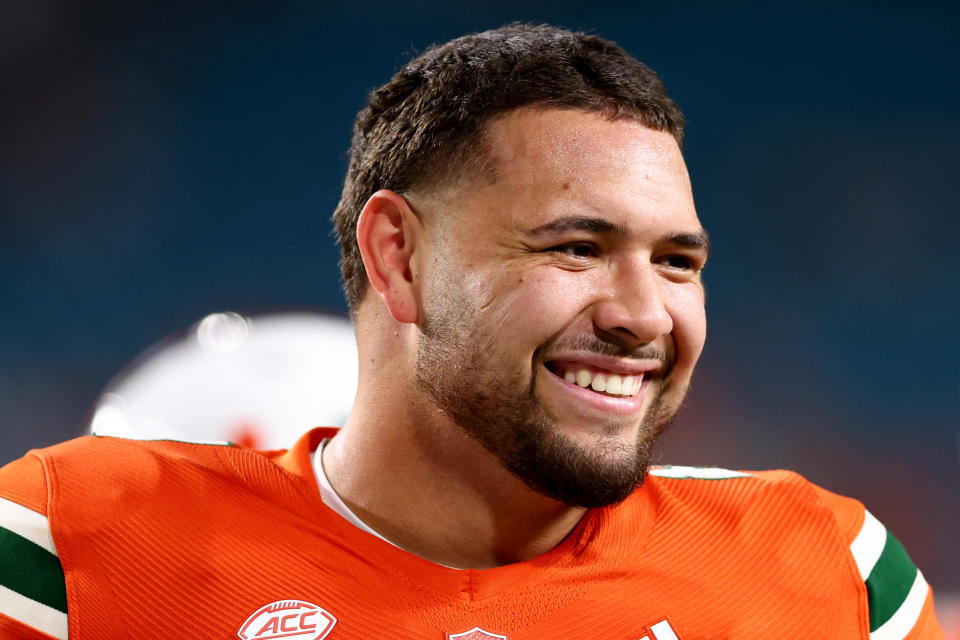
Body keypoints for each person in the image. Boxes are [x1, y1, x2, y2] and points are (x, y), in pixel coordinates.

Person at [0, 23, 943, 640]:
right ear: (399, 258)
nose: (644, 313)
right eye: (576, 247)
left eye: (677, 262)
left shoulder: (832, 575)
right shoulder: (65, 550)